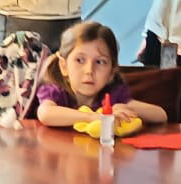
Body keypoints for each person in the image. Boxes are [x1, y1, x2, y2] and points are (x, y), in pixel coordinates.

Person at [33, 22, 168, 131]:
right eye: (80, 60)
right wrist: (94, 117)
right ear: (64, 66)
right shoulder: (55, 91)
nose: (89, 70)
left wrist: (123, 108)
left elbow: (160, 115)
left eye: (100, 62)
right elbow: (45, 114)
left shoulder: (112, 95)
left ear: (111, 71)